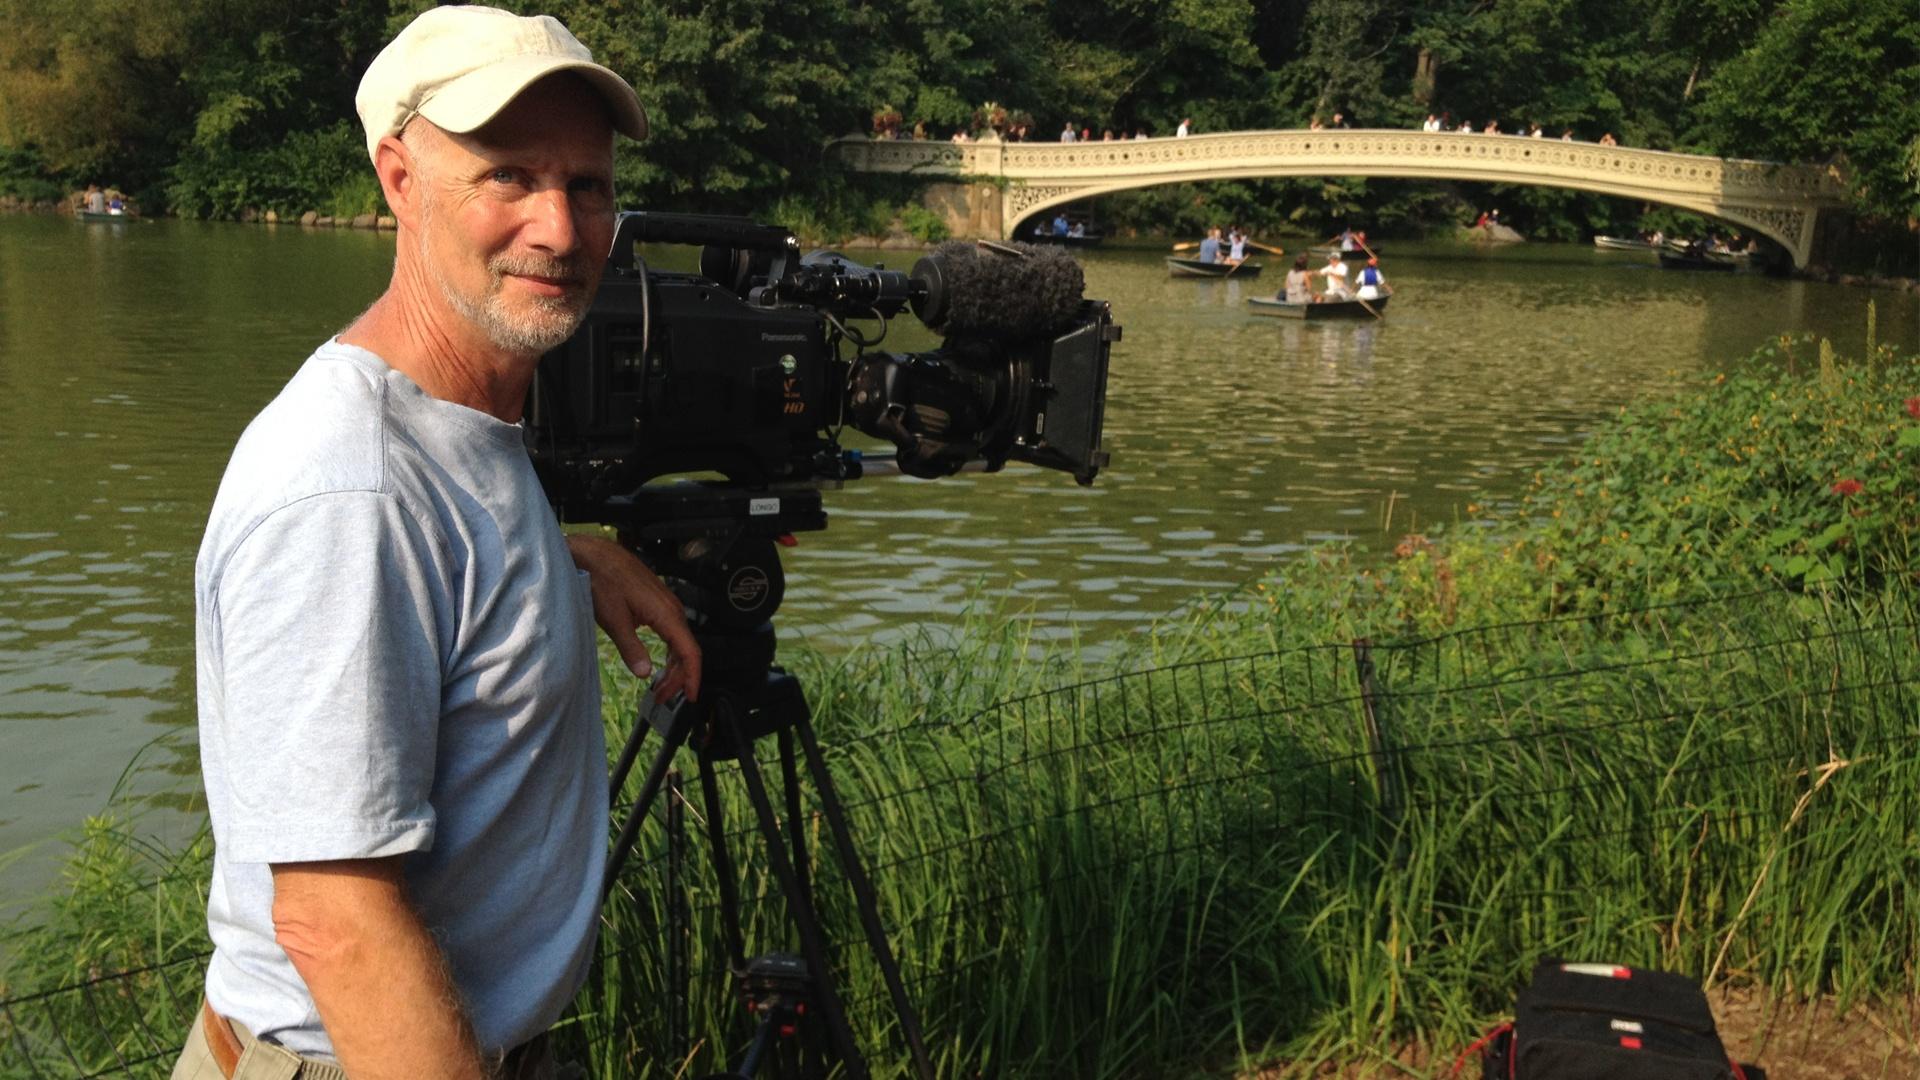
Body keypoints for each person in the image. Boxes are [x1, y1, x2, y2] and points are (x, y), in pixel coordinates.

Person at [170, 8, 703, 1079]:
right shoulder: (346, 490)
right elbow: (335, 923)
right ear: (400, 180)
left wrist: (559, 562)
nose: (559, 228)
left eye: (588, 185)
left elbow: (436, 560)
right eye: (508, 177)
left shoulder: (459, 429)